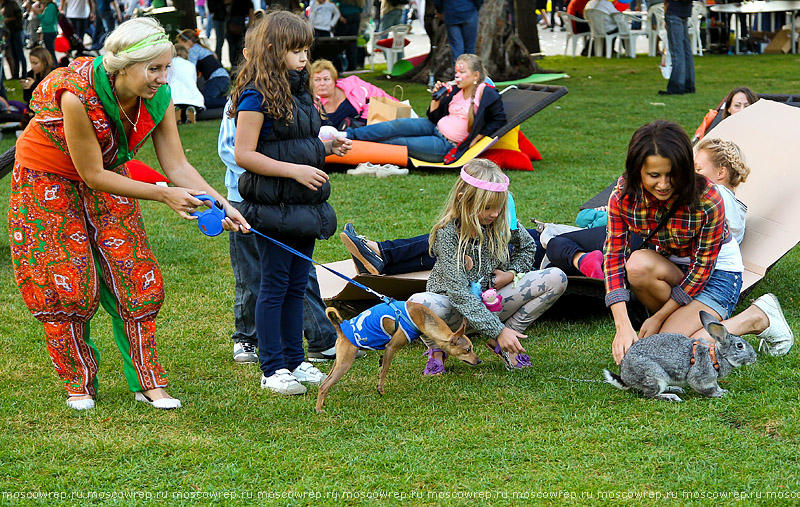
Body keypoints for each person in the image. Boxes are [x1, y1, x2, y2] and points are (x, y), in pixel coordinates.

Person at [8, 18, 249, 411]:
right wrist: (164, 197)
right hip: (46, 178)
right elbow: (92, 175)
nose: (162, 77)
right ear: (123, 66)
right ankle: (79, 383)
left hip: (107, 174)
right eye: (153, 68)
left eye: (166, 67)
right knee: (66, 280)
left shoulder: (160, 96)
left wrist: (221, 203)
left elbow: (177, 165)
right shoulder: (76, 95)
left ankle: (148, 382)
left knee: (134, 273)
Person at [218, 23, 361, 365]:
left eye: (306, 51)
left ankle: (296, 360)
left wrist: (325, 147)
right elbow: (244, 154)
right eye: (296, 51)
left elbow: (292, 145)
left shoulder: (298, 91)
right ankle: (273, 366)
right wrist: (295, 171)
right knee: (274, 287)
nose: (304, 58)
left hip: (301, 206)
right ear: (272, 51)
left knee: (297, 285)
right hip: (271, 205)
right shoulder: (254, 95)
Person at [604, 121, 792, 365]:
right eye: (653, 175)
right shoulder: (623, 196)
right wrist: (622, 325)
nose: (663, 184)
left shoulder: (709, 198)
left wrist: (658, 318)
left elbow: (702, 271)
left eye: (671, 174)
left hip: (716, 275)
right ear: (637, 170)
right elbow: (613, 256)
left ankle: (757, 317)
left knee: (668, 355)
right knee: (637, 265)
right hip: (675, 270)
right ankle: (686, 323)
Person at [407, 159, 567, 374]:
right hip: (453, 312)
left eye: (499, 207)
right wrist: (497, 329)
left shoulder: (501, 221)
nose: (494, 213)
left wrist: (511, 274)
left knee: (557, 278)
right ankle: (438, 349)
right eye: (488, 207)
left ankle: (505, 342)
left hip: (494, 300)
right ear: (463, 200)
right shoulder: (447, 234)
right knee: (418, 302)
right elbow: (458, 294)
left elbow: (528, 247)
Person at [343, 53, 506, 163]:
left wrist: (477, 138)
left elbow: (499, 119)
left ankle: (350, 146)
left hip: (446, 144)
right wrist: (436, 98)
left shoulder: (486, 94)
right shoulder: (456, 90)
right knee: (396, 125)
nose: (457, 76)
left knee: (396, 142)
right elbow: (433, 117)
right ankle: (347, 134)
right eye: (456, 72)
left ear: (476, 75)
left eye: (462, 72)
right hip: (434, 127)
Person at [310, 58, 397, 129]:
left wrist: (363, 121)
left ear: (334, 80)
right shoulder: (310, 103)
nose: (322, 83)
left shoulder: (353, 86)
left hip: (372, 129)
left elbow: (378, 96)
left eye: (326, 79)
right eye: (317, 80)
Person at [175, 29, 230, 109]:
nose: (181, 47)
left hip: (217, 79)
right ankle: (227, 101)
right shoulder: (202, 48)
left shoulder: (193, 50)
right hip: (223, 78)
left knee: (205, 101)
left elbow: (191, 67)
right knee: (212, 98)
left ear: (189, 42)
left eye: (181, 44)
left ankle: (230, 102)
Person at [659, 0, 694, 95]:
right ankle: (688, 83)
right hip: (685, 12)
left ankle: (676, 86)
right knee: (686, 51)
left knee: (677, 51)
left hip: (674, 11)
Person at [20, 47, 57, 129]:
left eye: (35, 63)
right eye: (31, 63)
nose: (33, 66)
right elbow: (27, 99)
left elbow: (51, 97)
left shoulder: (53, 74)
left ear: (45, 62)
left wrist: (34, 85)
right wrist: (27, 88)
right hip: (35, 111)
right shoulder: (30, 74)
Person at [169, 44, 205, 124]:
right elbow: (193, 82)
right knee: (194, 105)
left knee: (173, 106)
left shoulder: (169, 64)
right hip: (191, 97)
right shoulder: (190, 65)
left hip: (174, 97)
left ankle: (176, 110)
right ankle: (191, 109)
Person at [335, 0, 364, 72]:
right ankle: (352, 65)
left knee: (339, 41)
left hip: (344, 15)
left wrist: (340, 16)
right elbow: (361, 8)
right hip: (356, 15)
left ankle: (339, 65)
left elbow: (333, 2)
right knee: (353, 42)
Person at [2, 0, 27, 79]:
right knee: (14, 54)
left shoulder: (12, 4)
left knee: (20, 53)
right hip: (10, 31)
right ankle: (16, 74)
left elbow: (19, 16)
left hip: (17, 30)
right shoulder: (4, 4)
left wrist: (8, 19)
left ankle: (24, 74)